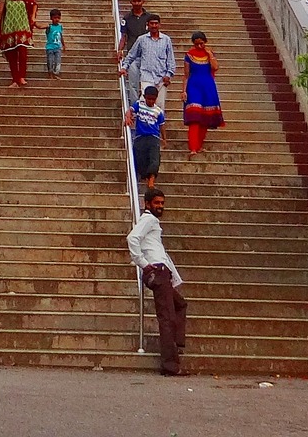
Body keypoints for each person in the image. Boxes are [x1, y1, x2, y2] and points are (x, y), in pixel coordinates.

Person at [127, 186, 187, 376]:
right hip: (157, 272)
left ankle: (177, 343)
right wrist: (143, 264)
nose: (160, 207)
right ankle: (170, 364)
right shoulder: (148, 219)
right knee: (167, 318)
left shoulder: (152, 222)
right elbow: (132, 238)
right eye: (156, 203)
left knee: (180, 304)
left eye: (162, 203)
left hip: (163, 272)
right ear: (147, 204)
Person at [181, 31, 224, 156]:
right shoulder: (189, 55)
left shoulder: (209, 54)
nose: (199, 46)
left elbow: (215, 67)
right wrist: (183, 90)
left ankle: (199, 146)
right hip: (193, 87)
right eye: (197, 44)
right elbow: (186, 74)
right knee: (194, 117)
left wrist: (210, 54)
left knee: (205, 118)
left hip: (208, 87)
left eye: (201, 43)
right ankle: (193, 147)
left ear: (205, 42)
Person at [120, 12, 175, 107]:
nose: (154, 26)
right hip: (146, 76)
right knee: (145, 104)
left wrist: (168, 74)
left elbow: (170, 60)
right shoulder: (142, 39)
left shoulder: (166, 40)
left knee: (159, 106)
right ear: (147, 25)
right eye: (151, 23)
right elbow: (131, 55)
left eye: (156, 23)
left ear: (159, 25)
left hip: (161, 78)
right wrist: (124, 67)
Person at [0, 0, 37, 88]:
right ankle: (15, 79)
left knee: (22, 54)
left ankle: (21, 77)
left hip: (22, 28)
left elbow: (34, 4)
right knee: (12, 56)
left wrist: (32, 17)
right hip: (9, 29)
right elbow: (0, 13)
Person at [125, 85, 165, 188]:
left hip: (153, 137)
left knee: (155, 159)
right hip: (140, 137)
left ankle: (151, 179)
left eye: (153, 99)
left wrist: (164, 138)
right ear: (144, 97)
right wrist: (128, 117)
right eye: (149, 99)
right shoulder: (139, 104)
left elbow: (161, 125)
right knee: (139, 158)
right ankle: (144, 176)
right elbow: (130, 110)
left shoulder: (158, 111)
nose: (151, 101)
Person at [116, 0, 151, 104]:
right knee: (133, 84)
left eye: (139, 1)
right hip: (133, 55)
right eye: (134, 1)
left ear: (143, 2)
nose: (137, 3)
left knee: (148, 83)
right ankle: (134, 107)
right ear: (131, 2)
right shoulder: (127, 18)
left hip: (148, 55)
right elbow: (124, 36)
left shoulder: (149, 18)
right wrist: (120, 50)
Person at [44, 8, 64, 77]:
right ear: (51, 18)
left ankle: (56, 73)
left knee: (58, 61)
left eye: (58, 18)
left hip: (58, 47)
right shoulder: (49, 27)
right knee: (50, 60)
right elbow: (46, 31)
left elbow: (61, 36)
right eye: (55, 18)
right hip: (50, 47)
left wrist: (63, 45)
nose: (57, 19)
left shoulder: (60, 27)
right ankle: (50, 72)